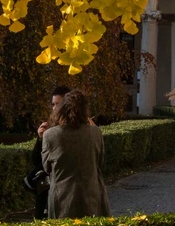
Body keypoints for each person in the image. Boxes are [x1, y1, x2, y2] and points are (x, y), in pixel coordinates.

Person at [41, 90, 110, 219]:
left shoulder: (50, 135)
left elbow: (47, 167)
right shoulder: (95, 132)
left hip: (62, 197)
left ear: (62, 109)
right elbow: (100, 162)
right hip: (91, 194)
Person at [24, 85, 73, 218]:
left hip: (64, 188)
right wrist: (40, 139)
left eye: (58, 104)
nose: (54, 108)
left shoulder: (76, 129)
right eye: (53, 104)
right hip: (45, 188)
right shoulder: (50, 127)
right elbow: (36, 160)